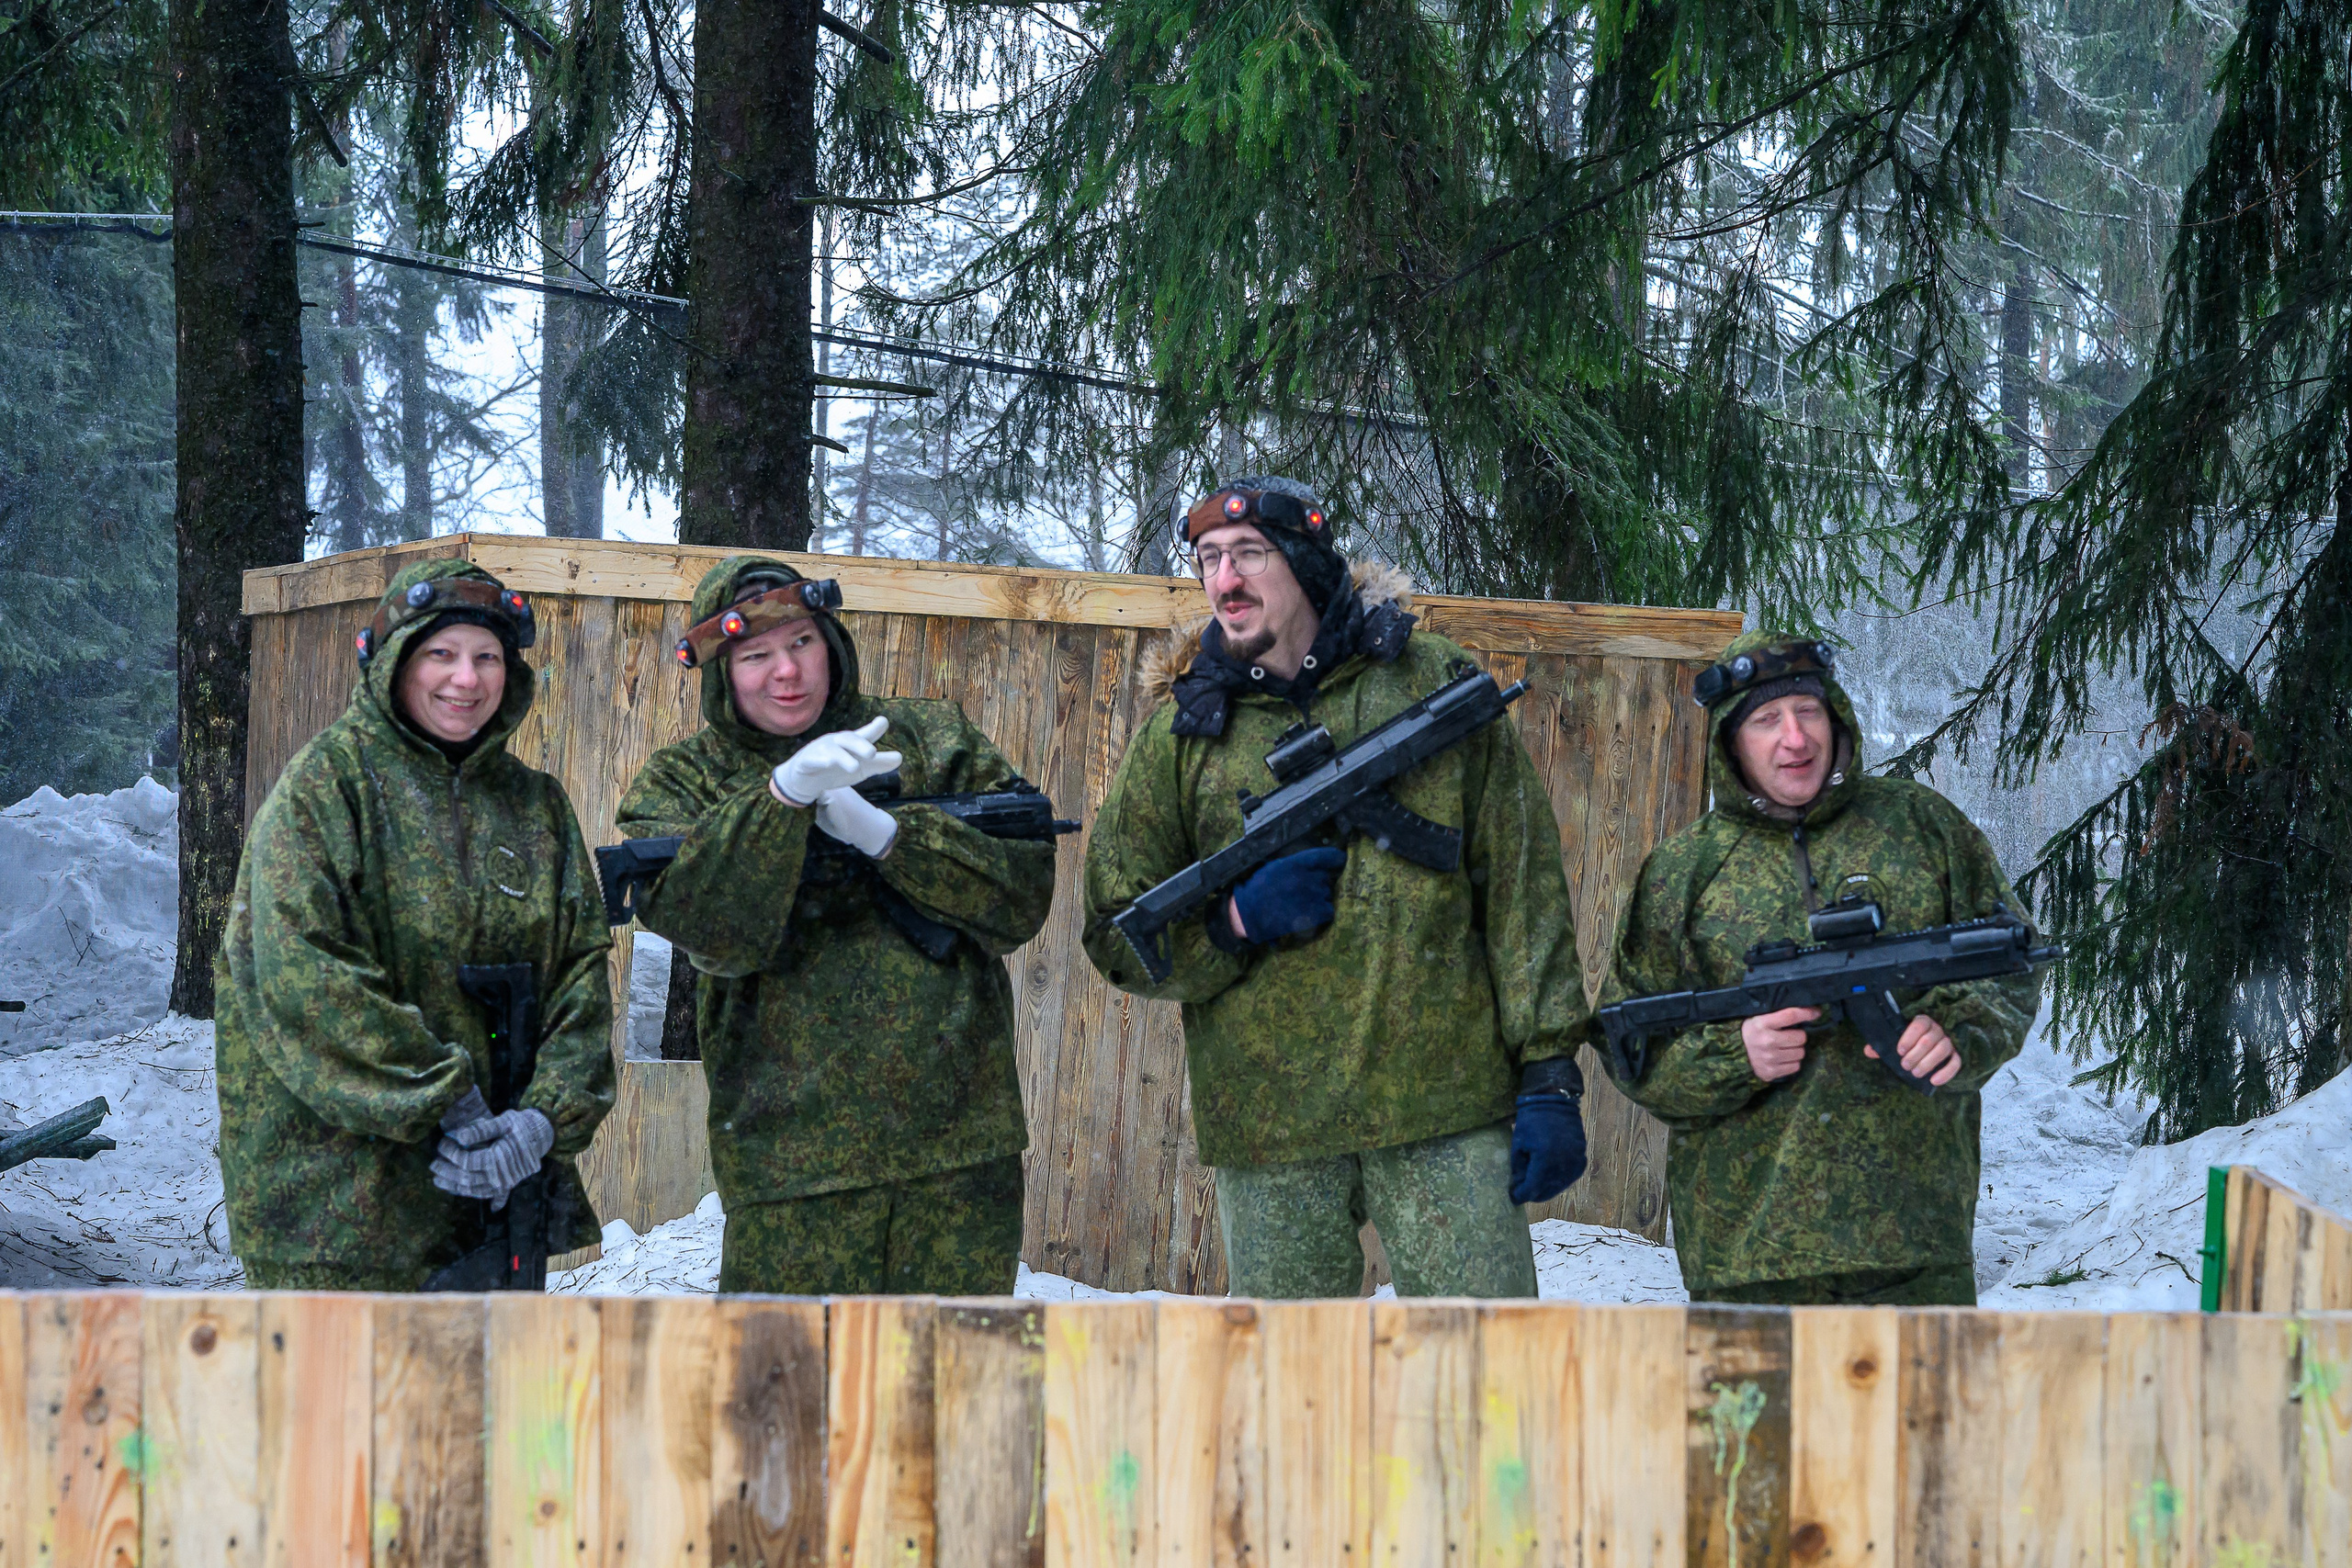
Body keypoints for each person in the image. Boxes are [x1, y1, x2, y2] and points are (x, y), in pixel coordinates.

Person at [1081, 477, 1591, 1299]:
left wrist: (1549, 1071)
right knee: (1290, 1394)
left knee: (1485, 1381)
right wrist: (1234, 923)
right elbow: (1113, 926)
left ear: (1311, 564)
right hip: (1273, 1124)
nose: (1226, 580)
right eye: (1210, 559)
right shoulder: (1184, 734)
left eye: (1251, 554)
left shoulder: (1429, 682)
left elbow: (1521, 883)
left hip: (1446, 1104)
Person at [616, 557, 1055, 1295]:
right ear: (723, 669)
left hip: (954, 1152)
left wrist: (889, 837)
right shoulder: (681, 783)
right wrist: (781, 800)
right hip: (789, 1166)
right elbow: (711, 931)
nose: (786, 672)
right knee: (791, 1395)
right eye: (756, 656)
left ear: (831, 640)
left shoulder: (930, 737)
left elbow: (1021, 898)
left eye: (801, 643)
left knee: (955, 1391)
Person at [1598, 631, 2041, 1305]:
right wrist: (1735, 1053)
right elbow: (1630, 1047)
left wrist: (1959, 1029)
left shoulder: (1922, 828)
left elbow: (2013, 955)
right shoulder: (1682, 873)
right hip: (1744, 1260)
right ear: (1730, 740)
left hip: (1916, 1249)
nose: (1794, 739)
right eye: (1766, 720)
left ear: (1835, 715)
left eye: (1807, 711)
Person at [216, 560, 616, 1291]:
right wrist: (447, 1098)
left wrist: (540, 1123)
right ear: (393, 661)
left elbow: (581, 978)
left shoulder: (537, 808)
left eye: (487, 657)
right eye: (442, 653)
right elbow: (305, 981)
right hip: (340, 1218)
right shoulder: (324, 791)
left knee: (483, 1405)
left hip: (495, 1208)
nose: (466, 679)